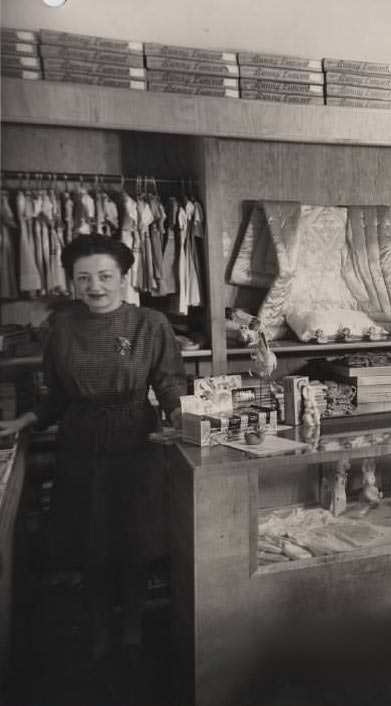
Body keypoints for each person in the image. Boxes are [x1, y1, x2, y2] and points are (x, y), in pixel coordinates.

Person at [0, 233, 185, 662]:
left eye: (105, 276)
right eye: (84, 279)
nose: (95, 287)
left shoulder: (151, 324)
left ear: (124, 277)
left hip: (136, 439)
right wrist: (27, 419)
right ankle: (100, 628)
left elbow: (170, 384)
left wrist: (179, 417)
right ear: (72, 282)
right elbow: (57, 396)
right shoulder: (61, 327)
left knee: (135, 539)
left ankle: (134, 625)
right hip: (80, 444)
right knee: (91, 542)